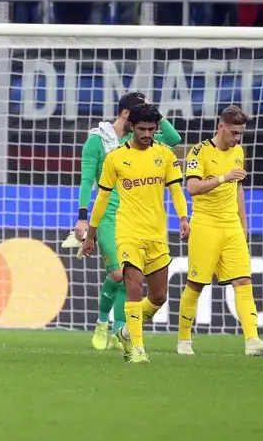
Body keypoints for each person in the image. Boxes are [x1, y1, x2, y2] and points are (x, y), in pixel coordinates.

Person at [82, 103, 189, 364]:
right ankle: (138, 349)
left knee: (158, 297)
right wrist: (91, 233)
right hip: (127, 231)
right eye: (142, 129)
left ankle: (126, 330)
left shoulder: (164, 155)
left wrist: (184, 217)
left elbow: (175, 189)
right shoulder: (116, 158)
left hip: (156, 234)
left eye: (152, 129)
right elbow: (102, 198)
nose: (148, 134)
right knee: (131, 284)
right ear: (132, 127)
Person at [176, 106, 263, 357]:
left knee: (244, 281)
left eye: (241, 133)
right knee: (196, 284)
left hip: (232, 226)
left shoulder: (239, 151)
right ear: (220, 127)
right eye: (234, 132)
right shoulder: (198, 151)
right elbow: (192, 187)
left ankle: (252, 341)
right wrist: (223, 177)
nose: (237, 138)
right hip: (205, 225)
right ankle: (184, 341)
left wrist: (243, 226)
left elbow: (238, 189)